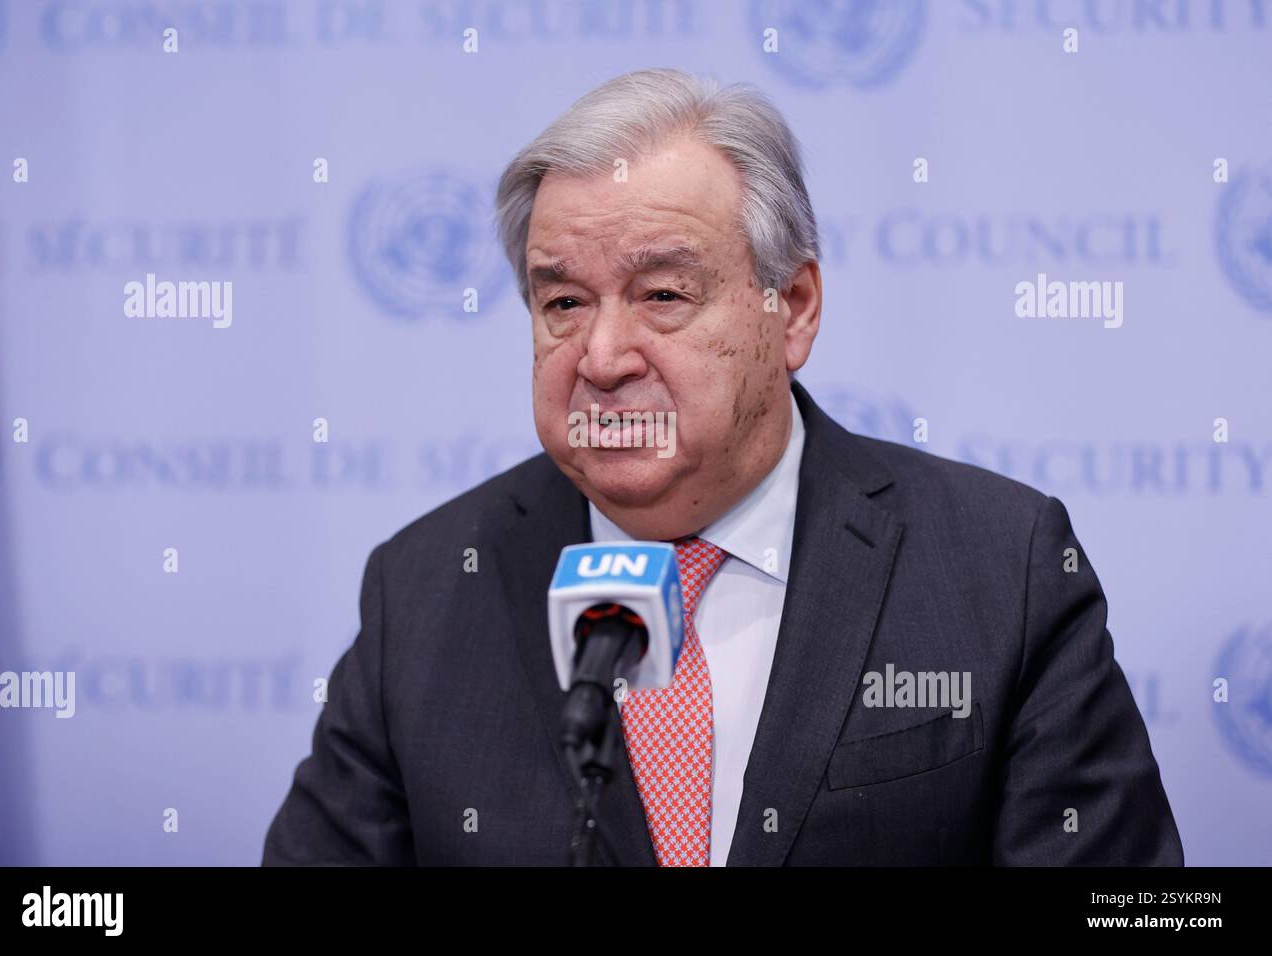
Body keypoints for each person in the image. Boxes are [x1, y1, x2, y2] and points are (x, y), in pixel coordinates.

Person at [262, 68, 1183, 866]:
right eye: (564, 301)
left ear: (795, 309)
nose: (602, 354)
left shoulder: (997, 568)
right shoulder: (423, 588)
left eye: (663, 294)